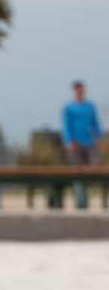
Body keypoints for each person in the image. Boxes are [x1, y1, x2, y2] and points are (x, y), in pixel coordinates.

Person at [63, 81, 101, 209]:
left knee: (95, 166)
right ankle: (80, 200)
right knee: (77, 172)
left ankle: (89, 193)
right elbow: (66, 126)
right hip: (76, 143)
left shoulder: (90, 106)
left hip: (90, 142)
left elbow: (95, 122)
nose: (80, 92)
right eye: (78, 90)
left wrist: (100, 138)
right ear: (74, 91)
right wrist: (68, 141)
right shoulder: (68, 107)